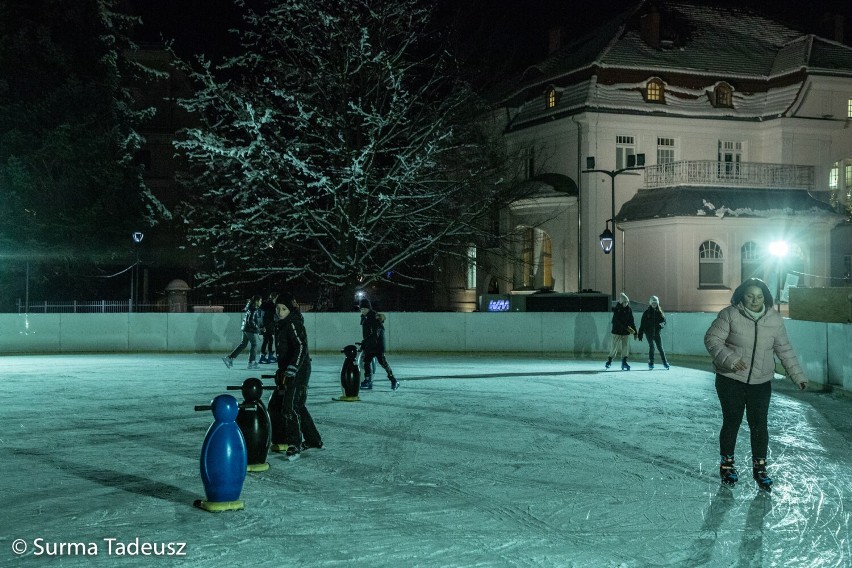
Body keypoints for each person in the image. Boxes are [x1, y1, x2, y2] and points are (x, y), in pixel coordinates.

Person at [704, 278, 808, 491]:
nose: (755, 300)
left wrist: (797, 376)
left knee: (759, 424)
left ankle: (760, 469)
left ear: (765, 298)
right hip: (730, 379)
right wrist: (731, 359)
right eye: (750, 296)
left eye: (759, 296)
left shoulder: (774, 319)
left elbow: (784, 350)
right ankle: (727, 465)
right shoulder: (730, 315)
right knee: (732, 421)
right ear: (741, 295)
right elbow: (712, 340)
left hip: (760, 382)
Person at [271, 291, 322, 458]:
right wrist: (282, 370)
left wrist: (293, 367)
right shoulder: (283, 324)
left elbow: (301, 348)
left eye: (283, 309)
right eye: (278, 308)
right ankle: (313, 440)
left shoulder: (293, 323)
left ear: (290, 310)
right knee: (298, 406)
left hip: (298, 371)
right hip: (292, 370)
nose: (279, 312)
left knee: (290, 407)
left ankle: (294, 443)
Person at [358, 298, 399, 391]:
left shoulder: (374, 317)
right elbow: (368, 334)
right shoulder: (364, 317)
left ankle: (394, 380)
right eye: (361, 309)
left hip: (378, 345)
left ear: (369, 309)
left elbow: (375, 334)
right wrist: (365, 343)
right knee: (366, 362)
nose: (363, 311)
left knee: (382, 362)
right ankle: (368, 381)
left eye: (365, 309)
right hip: (370, 345)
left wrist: (364, 342)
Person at [222, 295, 262, 370]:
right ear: (257, 301)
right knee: (254, 344)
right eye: (260, 301)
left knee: (243, 344)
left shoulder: (250, 307)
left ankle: (229, 358)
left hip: (245, 328)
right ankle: (251, 362)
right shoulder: (254, 309)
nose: (261, 302)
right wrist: (258, 328)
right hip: (249, 329)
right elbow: (251, 320)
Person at [637, 295, 669, 370]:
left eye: (655, 303)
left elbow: (664, 321)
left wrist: (662, 325)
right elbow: (642, 323)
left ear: (657, 304)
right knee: (652, 347)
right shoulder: (647, 313)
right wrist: (640, 333)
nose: (654, 304)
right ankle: (651, 363)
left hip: (657, 333)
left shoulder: (659, 312)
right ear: (650, 303)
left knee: (660, 348)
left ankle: (665, 362)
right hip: (649, 333)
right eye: (653, 303)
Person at [605, 292, 636, 371]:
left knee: (625, 347)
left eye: (627, 302)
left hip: (625, 332)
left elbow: (631, 321)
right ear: (621, 302)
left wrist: (635, 331)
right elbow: (616, 321)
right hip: (617, 331)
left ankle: (624, 362)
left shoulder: (629, 309)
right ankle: (609, 360)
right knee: (614, 347)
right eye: (624, 302)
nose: (625, 303)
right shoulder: (617, 309)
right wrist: (626, 327)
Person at [258, 293, 277, 364]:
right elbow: (265, 316)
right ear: (273, 298)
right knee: (267, 340)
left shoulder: (266, 304)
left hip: (267, 325)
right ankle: (265, 356)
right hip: (267, 325)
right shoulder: (270, 305)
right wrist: (263, 326)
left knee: (268, 339)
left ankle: (268, 355)